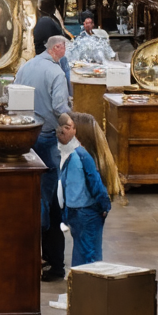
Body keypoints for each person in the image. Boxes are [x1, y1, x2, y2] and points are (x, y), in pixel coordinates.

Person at [13, 36, 73, 281]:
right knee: (46, 197)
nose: (65, 53)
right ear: (56, 48)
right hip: (46, 138)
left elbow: (12, 96)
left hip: (23, 136)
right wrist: (71, 124)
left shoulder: (25, 66)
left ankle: (29, 254)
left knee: (27, 192)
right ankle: (43, 251)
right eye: (64, 48)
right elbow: (60, 107)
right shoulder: (56, 73)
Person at [57, 112, 113, 268]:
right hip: (88, 213)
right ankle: (90, 290)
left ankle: (78, 288)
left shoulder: (70, 154)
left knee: (80, 252)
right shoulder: (83, 155)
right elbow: (95, 185)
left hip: (74, 212)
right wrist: (105, 206)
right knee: (91, 257)